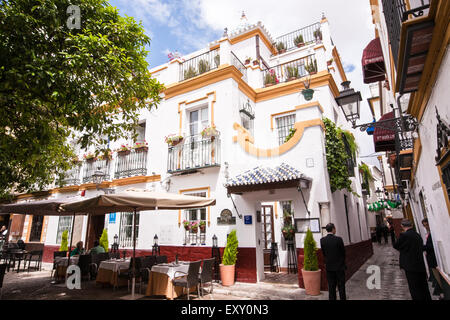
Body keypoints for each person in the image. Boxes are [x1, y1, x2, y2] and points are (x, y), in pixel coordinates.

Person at [393, 219, 431, 300]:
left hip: (410, 266)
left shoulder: (404, 236)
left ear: (402, 226)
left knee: (414, 288)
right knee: (423, 287)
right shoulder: (417, 235)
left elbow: (396, 245)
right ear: (412, 225)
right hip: (420, 265)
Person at [320, 223, 346, 300]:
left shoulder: (322, 240)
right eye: (335, 228)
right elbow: (343, 253)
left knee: (331, 287)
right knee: (341, 287)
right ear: (333, 229)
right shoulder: (339, 239)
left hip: (329, 267)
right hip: (339, 267)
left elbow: (324, 253)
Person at [422, 218, 443, 296]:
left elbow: (431, 246)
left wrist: (423, 247)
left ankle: (442, 292)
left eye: (426, 225)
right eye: (424, 226)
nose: (426, 227)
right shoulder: (430, 233)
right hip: (432, 259)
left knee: (438, 277)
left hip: (434, 259)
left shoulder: (433, 233)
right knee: (436, 276)